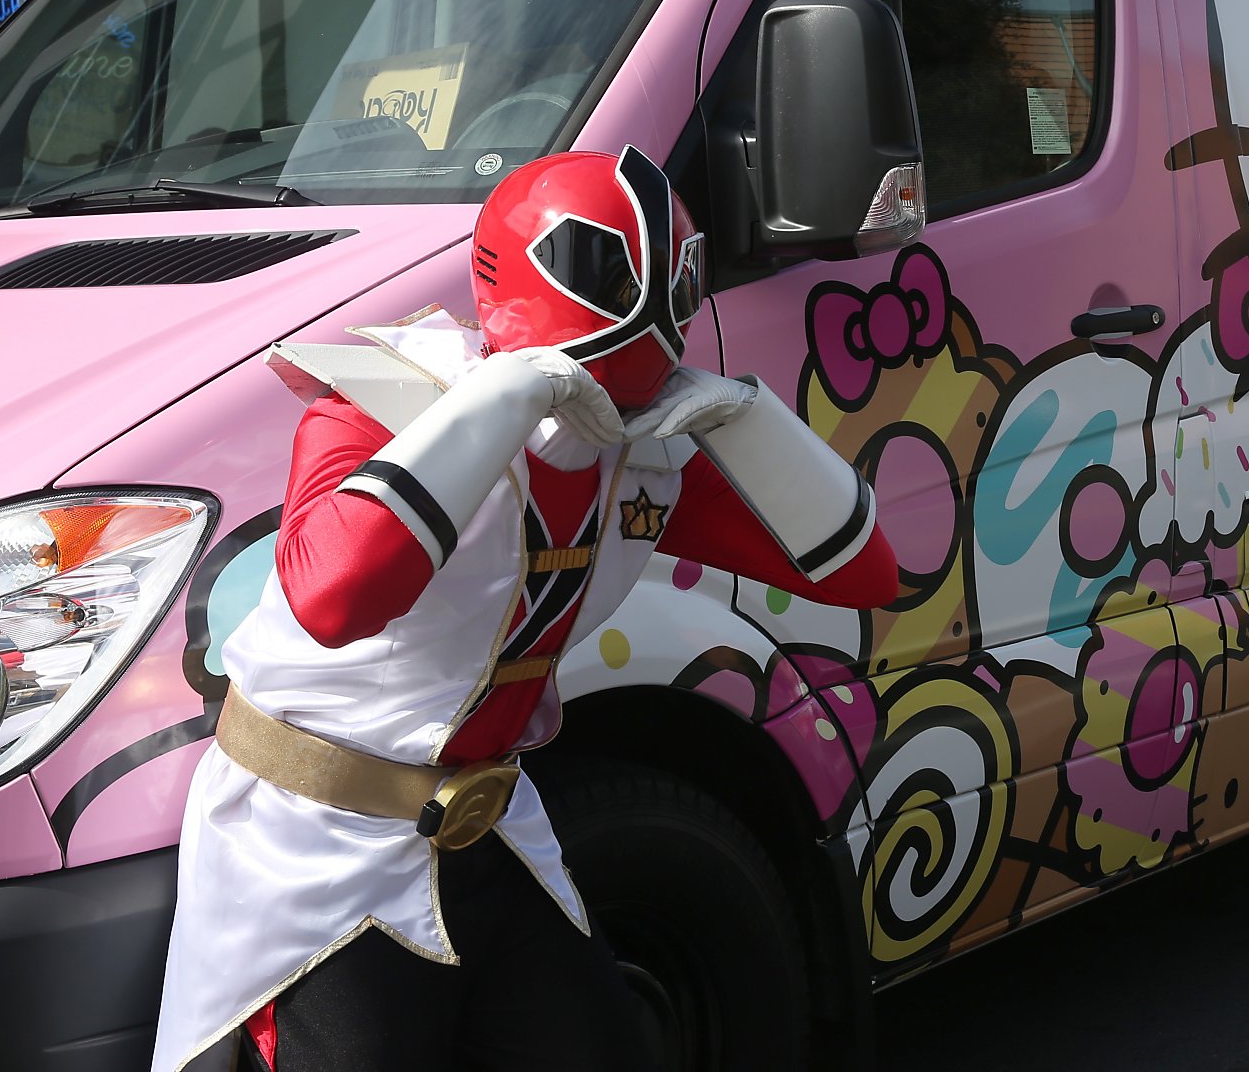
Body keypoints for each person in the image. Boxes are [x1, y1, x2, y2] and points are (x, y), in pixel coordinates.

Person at [151, 148, 898, 1072]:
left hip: (494, 827)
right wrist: (504, 395)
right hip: (316, 845)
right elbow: (333, 599)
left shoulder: (642, 451)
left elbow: (862, 572)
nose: (654, 325)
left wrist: (745, 415)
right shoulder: (384, 408)